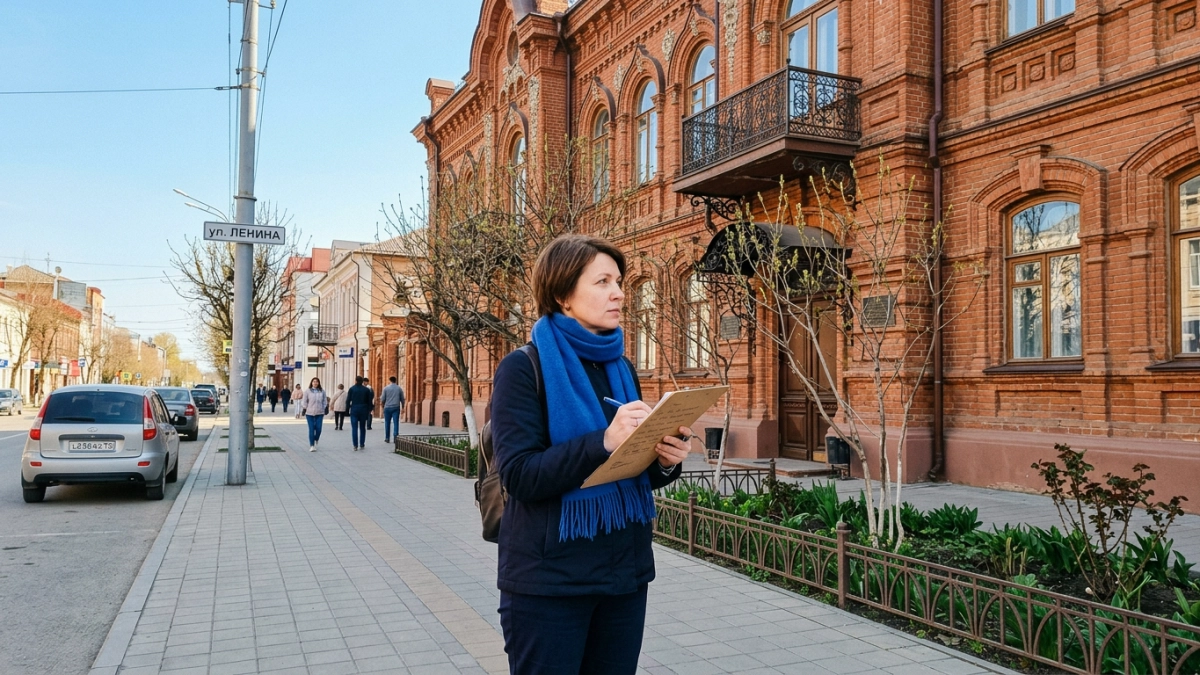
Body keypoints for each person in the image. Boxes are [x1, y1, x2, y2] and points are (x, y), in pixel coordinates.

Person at [490, 234, 691, 674]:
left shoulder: (620, 366)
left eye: (618, 281)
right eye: (602, 281)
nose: (619, 292)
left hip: (623, 577)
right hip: (549, 585)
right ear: (563, 295)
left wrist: (664, 459)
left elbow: (630, 468)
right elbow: (520, 476)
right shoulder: (523, 369)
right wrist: (602, 440)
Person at [299, 377, 329, 452]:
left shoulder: (322, 391)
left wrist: (325, 407)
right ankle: (312, 445)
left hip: (320, 412)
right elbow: (304, 401)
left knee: (319, 428)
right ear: (311, 383)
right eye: (314, 382)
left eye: (316, 382)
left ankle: (316, 438)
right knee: (311, 429)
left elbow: (324, 400)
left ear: (318, 383)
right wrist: (304, 408)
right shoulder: (308, 391)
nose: (315, 383)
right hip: (310, 413)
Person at [345, 376, 374, 451]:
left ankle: (355, 445)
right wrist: (370, 409)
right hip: (363, 409)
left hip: (354, 408)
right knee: (362, 427)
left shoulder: (352, 389)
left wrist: (347, 409)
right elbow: (369, 401)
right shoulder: (366, 390)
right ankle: (362, 443)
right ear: (362, 382)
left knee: (354, 428)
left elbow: (348, 400)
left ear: (355, 381)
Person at [380, 376, 405, 443]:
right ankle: (395, 438)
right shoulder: (399, 388)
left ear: (390, 380)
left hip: (387, 408)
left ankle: (387, 438)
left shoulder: (385, 388)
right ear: (395, 381)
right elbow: (402, 399)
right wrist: (403, 407)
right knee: (396, 423)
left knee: (387, 423)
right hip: (396, 408)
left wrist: (382, 407)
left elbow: (382, 399)